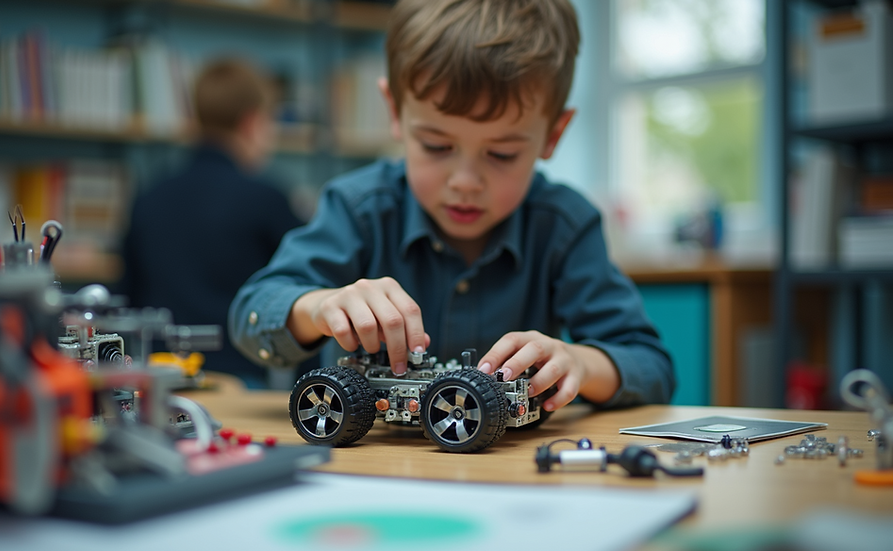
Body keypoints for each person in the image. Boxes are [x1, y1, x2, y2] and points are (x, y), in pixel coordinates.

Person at [229, 0, 675, 409]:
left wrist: (579, 361)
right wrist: (319, 306)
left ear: (553, 135)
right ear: (395, 114)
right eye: (437, 146)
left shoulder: (563, 225)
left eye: (501, 154)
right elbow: (252, 313)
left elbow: (651, 367)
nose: (464, 182)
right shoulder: (358, 207)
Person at [118, 57, 304, 388]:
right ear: (251, 123)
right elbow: (303, 292)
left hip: (158, 379)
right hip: (239, 379)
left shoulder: (150, 195)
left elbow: (127, 296)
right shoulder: (265, 198)